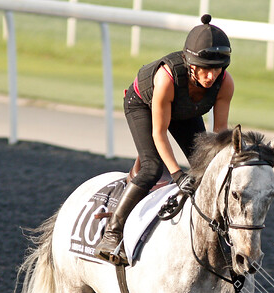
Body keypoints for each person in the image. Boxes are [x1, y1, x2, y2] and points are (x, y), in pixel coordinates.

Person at [94, 14, 235, 264]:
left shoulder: (225, 83)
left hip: (184, 112)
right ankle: (113, 233)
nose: (211, 76)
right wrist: (178, 174)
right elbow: (160, 133)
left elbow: (218, 134)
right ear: (190, 64)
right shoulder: (166, 78)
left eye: (217, 68)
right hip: (143, 106)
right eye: (205, 68)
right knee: (152, 167)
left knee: (206, 166)